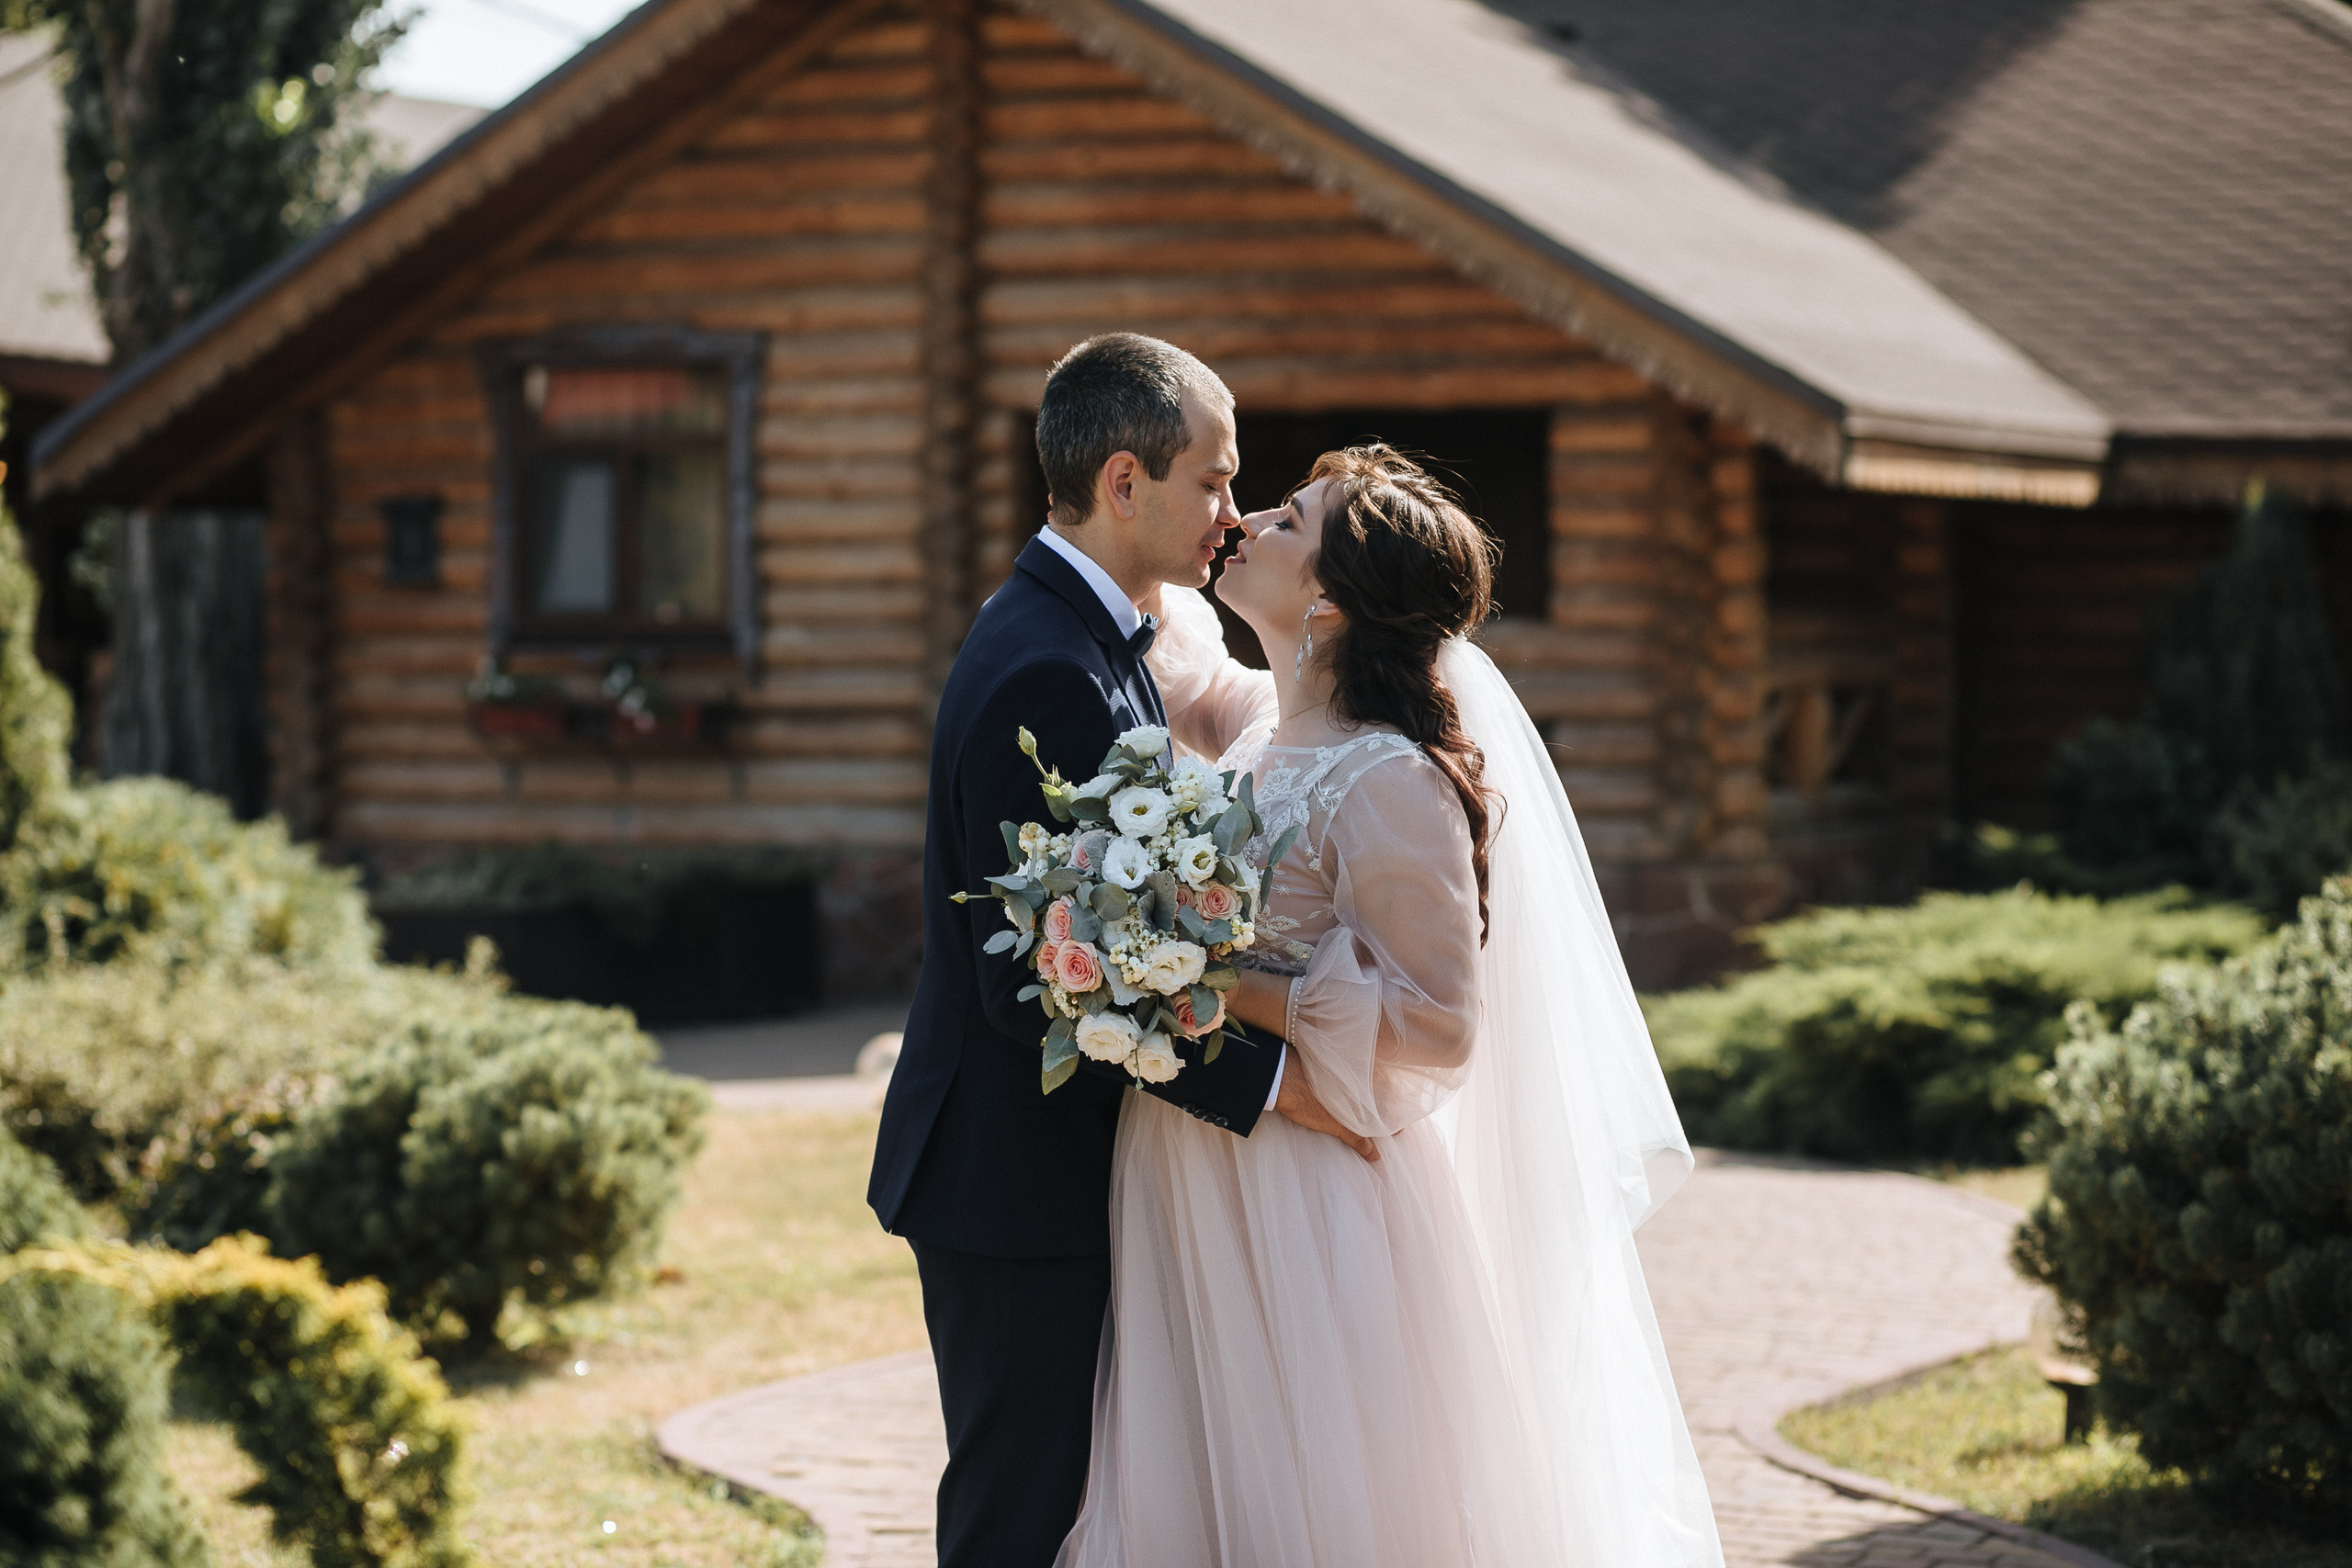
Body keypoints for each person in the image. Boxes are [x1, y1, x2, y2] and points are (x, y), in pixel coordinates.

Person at [1057, 446, 1725, 1566]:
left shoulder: (1392, 780)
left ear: (1326, 598)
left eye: (1288, 516)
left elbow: (1439, 1026)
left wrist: (1208, 975)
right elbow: (1180, 671)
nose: (1251, 517)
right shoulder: (1266, 728)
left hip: (1313, 1195)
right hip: (1192, 1169)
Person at [866, 333, 1370, 1568]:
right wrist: (1279, 1088)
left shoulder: (1097, 633)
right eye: (1212, 479)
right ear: (1125, 482)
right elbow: (1034, 978)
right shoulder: (1050, 666)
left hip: (1051, 1171)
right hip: (1014, 1180)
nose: (1231, 510)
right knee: (1023, 1519)